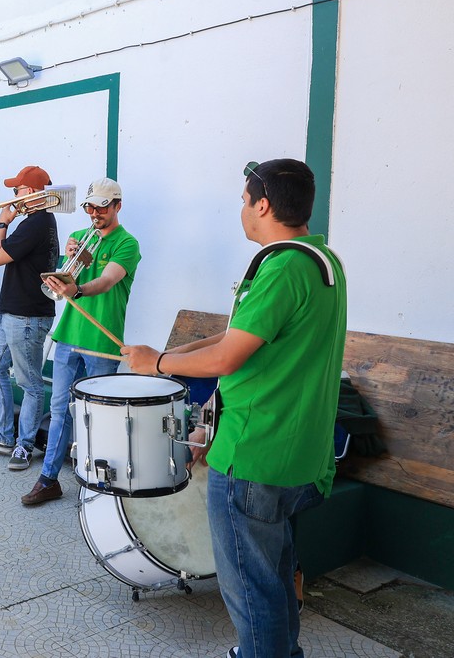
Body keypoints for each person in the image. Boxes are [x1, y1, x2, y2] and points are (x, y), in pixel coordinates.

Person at [121, 159, 347, 658]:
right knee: (276, 580)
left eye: (244, 200)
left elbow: (228, 357)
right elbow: (242, 339)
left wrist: (156, 364)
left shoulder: (281, 265)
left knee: (253, 593)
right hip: (297, 456)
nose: (241, 209)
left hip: (254, 458)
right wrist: (168, 357)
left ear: (262, 204)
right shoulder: (319, 260)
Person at [22, 177, 140, 505]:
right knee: (60, 410)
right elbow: (60, 288)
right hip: (68, 336)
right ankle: (48, 479)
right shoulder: (77, 237)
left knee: (98, 415)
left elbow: (106, 281)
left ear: (117, 205)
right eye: (90, 206)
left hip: (100, 341)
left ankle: (97, 484)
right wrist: (65, 264)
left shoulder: (127, 243)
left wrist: (78, 289)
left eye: (101, 207)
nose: (94, 213)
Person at [0, 166, 59, 470]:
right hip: (12, 312)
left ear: (31, 194)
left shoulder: (35, 223)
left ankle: (24, 445)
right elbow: (6, 253)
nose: (13, 197)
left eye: (16, 191)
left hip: (27, 316)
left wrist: (2, 224)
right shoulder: (36, 222)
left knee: (30, 382)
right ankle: (6, 435)